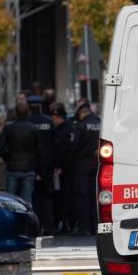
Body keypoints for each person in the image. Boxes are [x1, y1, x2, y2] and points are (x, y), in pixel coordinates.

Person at [0, 101, 40, 206]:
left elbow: (0, 147)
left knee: (10, 201)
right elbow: (39, 148)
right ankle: (26, 222)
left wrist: (7, 158)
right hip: (29, 167)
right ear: (28, 113)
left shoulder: (9, 128)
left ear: (15, 113)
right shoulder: (33, 128)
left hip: (12, 167)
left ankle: (10, 221)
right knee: (27, 201)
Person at [27, 95, 55, 235]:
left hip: (31, 166)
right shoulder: (49, 122)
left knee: (34, 199)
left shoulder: (27, 122)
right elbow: (55, 144)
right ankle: (49, 227)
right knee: (48, 198)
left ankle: (35, 228)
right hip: (48, 165)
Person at [71, 102, 100, 236]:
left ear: (82, 114)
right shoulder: (100, 123)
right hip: (98, 164)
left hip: (82, 165)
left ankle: (85, 228)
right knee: (95, 196)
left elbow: (73, 147)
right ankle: (96, 226)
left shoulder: (80, 126)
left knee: (82, 197)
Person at [50, 103, 74, 234]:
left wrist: (58, 166)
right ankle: (68, 223)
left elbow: (60, 151)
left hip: (63, 170)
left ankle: (65, 224)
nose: (54, 121)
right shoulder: (70, 128)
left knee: (63, 198)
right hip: (70, 169)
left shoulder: (61, 131)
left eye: (55, 119)